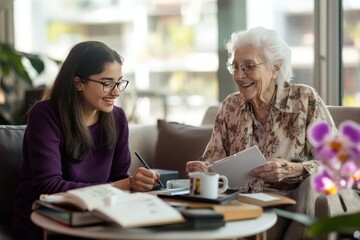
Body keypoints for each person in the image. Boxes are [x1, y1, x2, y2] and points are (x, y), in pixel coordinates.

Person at [185, 27, 337, 240]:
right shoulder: (230, 106)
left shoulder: (304, 100)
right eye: (236, 67)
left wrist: (292, 170)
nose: (239, 75)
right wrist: (203, 169)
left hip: (288, 204)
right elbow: (212, 161)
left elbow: (337, 163)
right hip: (238, 202)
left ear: (275, 67)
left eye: (249, 66)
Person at [12, 41, 161, 239]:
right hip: (49, 217)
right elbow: (48, 187)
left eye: (119, 82)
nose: (116, 92)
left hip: (95, 214)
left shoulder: (117, 118)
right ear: (78, 83)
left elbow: (118, 178)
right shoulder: (45, 114)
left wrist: (136, 183)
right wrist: (127, 185)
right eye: (107, 83)